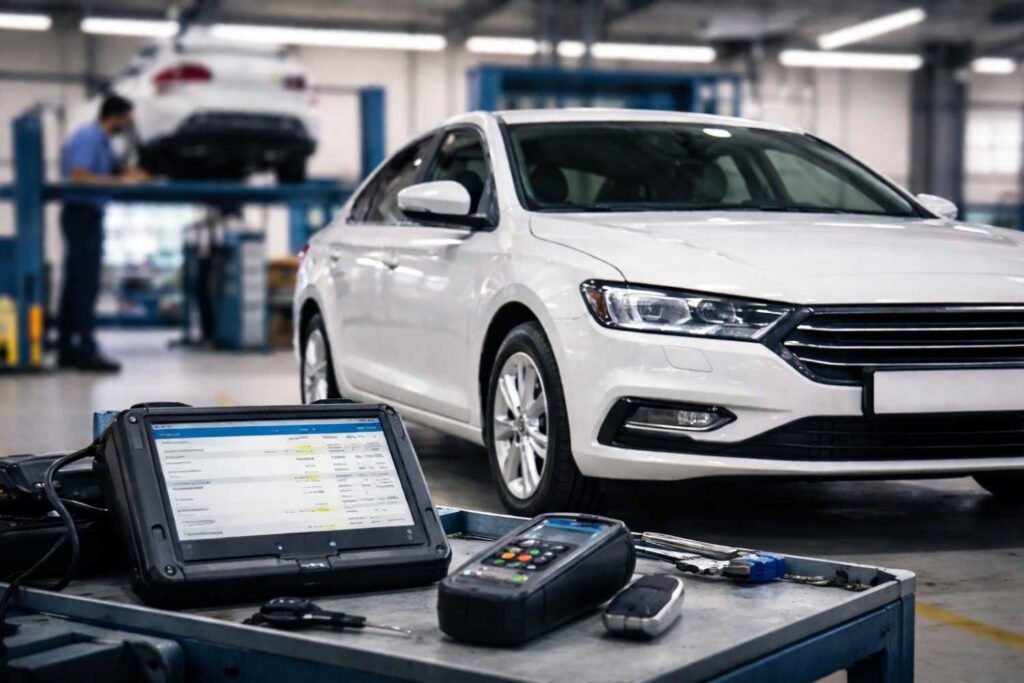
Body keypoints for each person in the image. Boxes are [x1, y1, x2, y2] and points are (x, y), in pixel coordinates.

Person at [58, 94, 149, 372]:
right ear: (117, 116)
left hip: (87, 216)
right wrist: (120, 181)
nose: (129, 123)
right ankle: (85, 351)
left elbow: (118, 168)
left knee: (76, 285)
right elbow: (78, 174)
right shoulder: (88, 138)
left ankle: (67, 349)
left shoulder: (103, 142)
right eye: (127, 117)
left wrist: (137, 174)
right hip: (81, 215)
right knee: (85, 285)